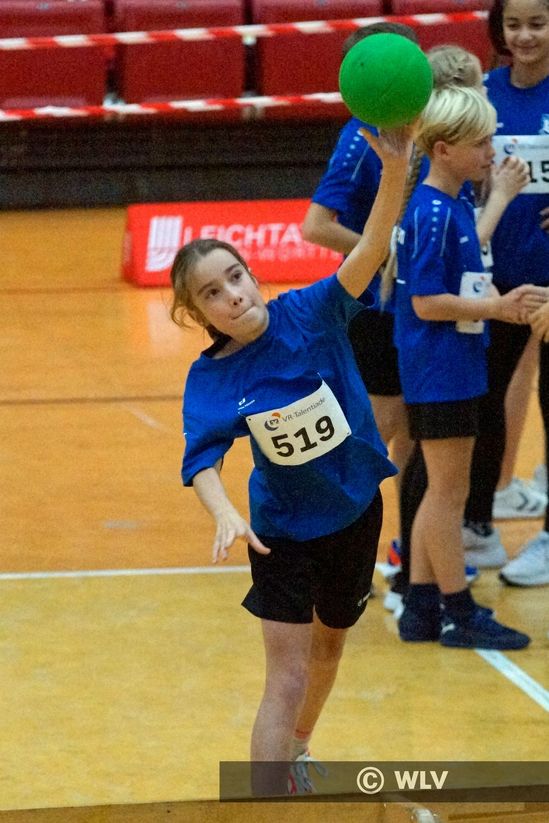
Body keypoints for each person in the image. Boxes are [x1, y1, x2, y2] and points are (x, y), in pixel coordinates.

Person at [170, 126, 413, 795]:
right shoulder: (213, 377)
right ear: (196, 312)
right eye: (211, 293)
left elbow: (369, 248)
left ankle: (300, 747)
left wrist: (395, 170)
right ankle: (264, 801)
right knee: (286, 674)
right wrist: (224, 513)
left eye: (235, 277)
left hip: (354, 513)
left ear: (253, 275)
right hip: (279, 534)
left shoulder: (313, 311)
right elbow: (201, 460)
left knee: (329, 649)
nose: (232, 295)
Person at [380, 43, 532, 613]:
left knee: (444, 491)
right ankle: (455, 607)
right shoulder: (433, 213)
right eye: (482, 143)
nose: (492, 152)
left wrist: (495, 300)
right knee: (446, 496)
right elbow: (424, 303)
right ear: (444, 149)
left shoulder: (455, 204)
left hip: (454, 366)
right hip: (440, 369)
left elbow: (464, 281)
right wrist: (496, 309)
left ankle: (422, 604)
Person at [462, 0, 549, 588]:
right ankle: (477, 525)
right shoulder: (485, 93)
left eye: (537, 23)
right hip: (494, 285)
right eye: (514, 24)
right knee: (483, 401)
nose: (524, 35)